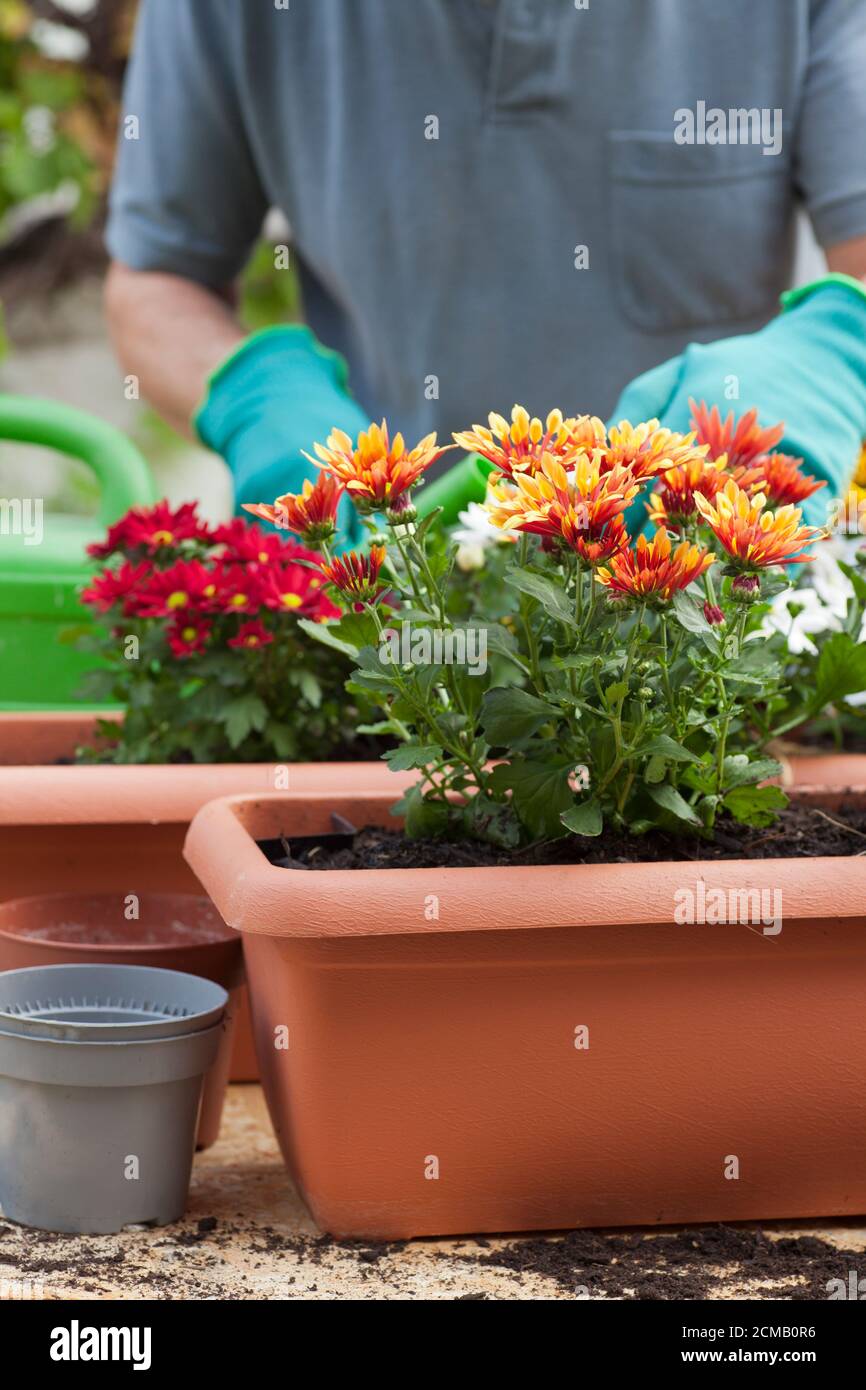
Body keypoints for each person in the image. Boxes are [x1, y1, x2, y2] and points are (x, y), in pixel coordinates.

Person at [105, 0, 866, 544]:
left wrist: (830, 355)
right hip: (399, 588)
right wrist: (257, 398)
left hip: (712, 588)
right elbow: (154, 281)